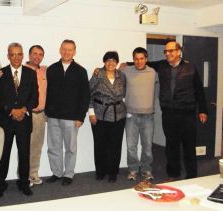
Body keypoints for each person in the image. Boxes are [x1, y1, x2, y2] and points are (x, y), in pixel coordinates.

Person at [128, 41, 208, 180]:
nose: (168, 54)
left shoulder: (191, 67)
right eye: (166, 51)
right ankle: (173, 173)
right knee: (171, 145)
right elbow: (145, 63)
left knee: (189, 146)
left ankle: (191, 175)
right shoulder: (162, 65)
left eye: (171, 51)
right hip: (169, 114)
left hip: (187, 113)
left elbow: (199, 90)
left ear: (179, 52)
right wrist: (126, 64)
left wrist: (203, 110)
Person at [0, 43, 38, 196]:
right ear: (8, 56)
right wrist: (11, 111)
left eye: (19, 54)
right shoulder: (1, 73)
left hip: (24, 121)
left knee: (24, 154)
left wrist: (23, 110)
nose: (16, 57)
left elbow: (35, 98)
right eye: (13, 54)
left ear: (23, 55)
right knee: (3, 154)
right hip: (5, 121)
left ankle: (24, 183)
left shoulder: (31, 73)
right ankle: (0, 183)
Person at [45, 39, 90, 186]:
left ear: (74, 52)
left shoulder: (81, 71)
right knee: (53, 147)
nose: (66, 52)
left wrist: (80, 117)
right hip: (53, 116)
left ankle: (69, 174)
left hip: (72, 118)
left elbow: (85, 96)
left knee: (70, 148)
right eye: (64, 49)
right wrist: (47, 112)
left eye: (70, 50)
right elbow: (47, 92)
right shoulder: (51, 69)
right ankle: (57, 172)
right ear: (60, 50)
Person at [89, 51, 126, 183]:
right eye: (108, 60)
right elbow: (89, 94)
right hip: (100, 115)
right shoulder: (98, 74)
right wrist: (91, 113)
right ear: (104, 62)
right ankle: (100, 171)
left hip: (119, 115)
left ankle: (113, 172)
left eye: (113, 61)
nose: (111, 63)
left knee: (115, 145)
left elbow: (125, 93)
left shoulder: (121, 75)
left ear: (117, 62)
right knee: (100, 145)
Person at [123, 47, 158, 181]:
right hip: (131, 115)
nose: (139, 61)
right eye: (136, 59)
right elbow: (111, 70)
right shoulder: (126, 71)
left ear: (146, 59)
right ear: (133, 60)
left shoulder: (153, 72)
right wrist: (98, 70)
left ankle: (146, 170)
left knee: (147, 146)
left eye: (141, 58)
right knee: (131, 146)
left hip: (148, 116)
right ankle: (133, 169)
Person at [24, 45, 47, 187]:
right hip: (27, 114)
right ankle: (24, 175)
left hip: (41, 115)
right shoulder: (21, 70)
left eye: (40, 54)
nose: (37, 56)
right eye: (34, 53)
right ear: (29, 55)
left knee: (37, 146)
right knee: (25, 146)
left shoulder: (44, 71)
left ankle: (33, 174)